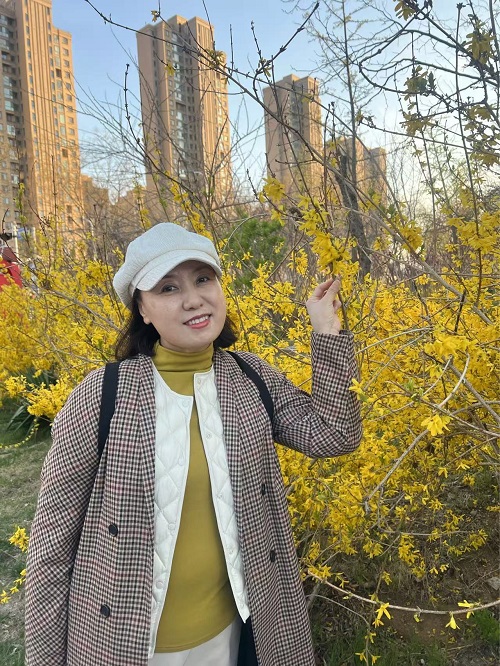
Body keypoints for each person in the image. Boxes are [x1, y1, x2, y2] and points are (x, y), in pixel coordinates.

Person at [25, 222, 362, 666]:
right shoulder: (102, 395)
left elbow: (335, 433)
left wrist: (328, 332)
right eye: (168, 288)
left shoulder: (250, 378)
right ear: (142, 309)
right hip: (124, 643)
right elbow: (51, 546)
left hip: (233, 633)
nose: (193, 299)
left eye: (203, 279)